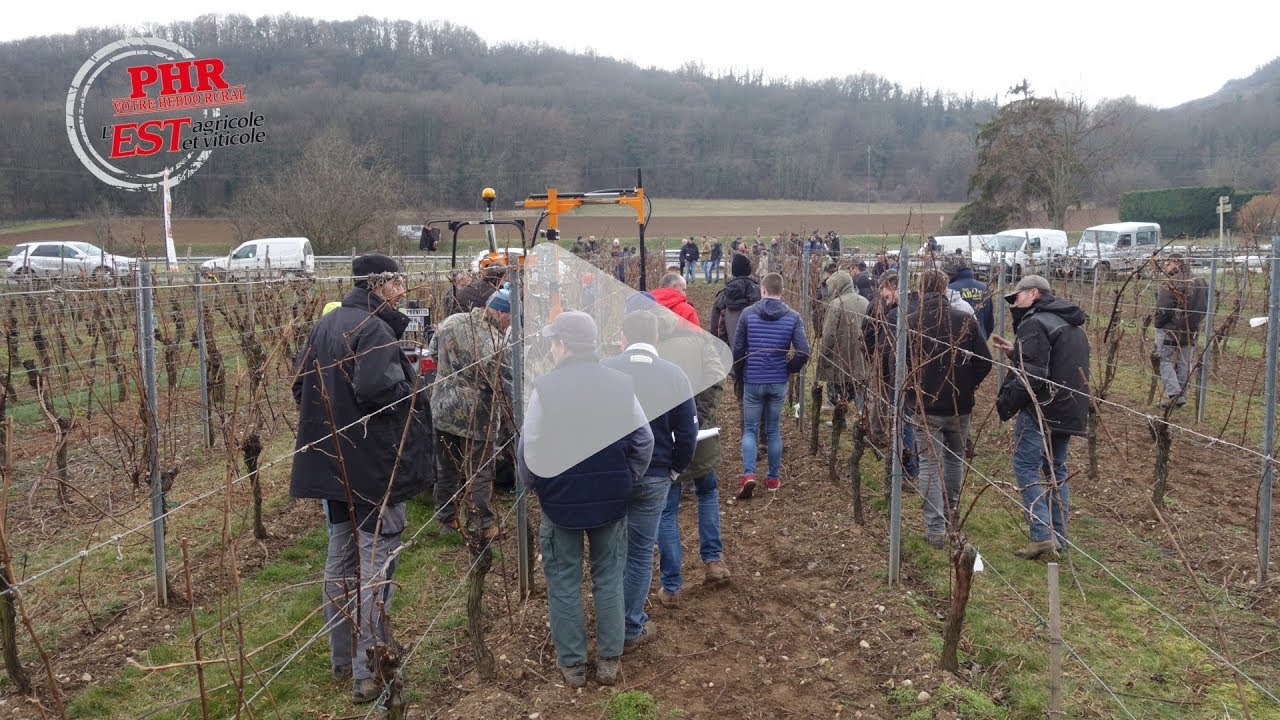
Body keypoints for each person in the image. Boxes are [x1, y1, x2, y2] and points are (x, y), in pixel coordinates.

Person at [290, 254, 428, 703]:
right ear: (381, 285)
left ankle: (341, 657)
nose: (402, 289)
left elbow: (300, 388)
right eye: (398, 282)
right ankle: (368, 669)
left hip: (332, 466)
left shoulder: (326, 325)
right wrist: (414, 394)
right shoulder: (372, 330)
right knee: (374, 567)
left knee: (340, 561)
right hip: (372, 472)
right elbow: (379, 394)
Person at [519, 311, 654, 688]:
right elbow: (644, 441)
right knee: (609, 577)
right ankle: (609, 660)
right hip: (611, 500)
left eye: (552, 341)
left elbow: (528, 448)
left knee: (564, 580)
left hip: (559, 500)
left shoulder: (545, 389)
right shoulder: (620, 384)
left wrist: (538, 486)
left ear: (562, 345)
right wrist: (627, 479)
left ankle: (573, 664)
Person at [603, 310, 697, 652]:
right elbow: (687, 433)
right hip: (656, 475)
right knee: (641, 551)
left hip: (611, 475)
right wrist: (674, 470)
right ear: (657, 339)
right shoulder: (675, 376)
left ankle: (607, 620)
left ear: (623, 338)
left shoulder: (606, 369)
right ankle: (630, 626)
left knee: (610, 550)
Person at [992, 275, 1090, 560]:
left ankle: (1041, 534)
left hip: (1041, 408)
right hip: (1069, 407)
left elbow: (1034, 375)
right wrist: (1016, 353)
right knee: (1056, 469)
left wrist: (1007, 402)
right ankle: (1058, 536)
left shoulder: (1034, 322)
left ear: (1034, 293)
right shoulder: (1070, 321)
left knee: (1026, 465)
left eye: (1017, 296)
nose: (1014, 302)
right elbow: (1055, 362)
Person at [648, 296, 731, 602]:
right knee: (707, 492)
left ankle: (671, 586)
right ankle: (713, 562)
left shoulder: (653, 350)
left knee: (667, 510)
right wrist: (702, 418)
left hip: (667, 441)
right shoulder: (700, 342)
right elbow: (717, 378)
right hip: (702, 436)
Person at [905, 270, 992, 548]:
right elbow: (985, 362)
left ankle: (935, 529)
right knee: (955, 459)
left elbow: (898, 364)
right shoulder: (965, 320)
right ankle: (952, 513)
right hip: (960, 406)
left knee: (930, 464)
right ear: (945, 290)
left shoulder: (911, 323)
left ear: (920, 291)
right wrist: (966, 385)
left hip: (924, 405)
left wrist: (913, 387)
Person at [428, 289, 514, 539]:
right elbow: (504, 382)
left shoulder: (451, 321)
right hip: (478, 418)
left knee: (446, 468)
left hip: (442, 408)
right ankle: (482, 525)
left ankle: (446, 520)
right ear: (498, 311)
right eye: (509, 317)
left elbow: (433, 351)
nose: (510, 323)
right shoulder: (495, 342)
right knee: (480, 471)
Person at [732, 272, 810, 498]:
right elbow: (804, 350)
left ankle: (749, 474)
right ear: (781, 291)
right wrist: (789, 368)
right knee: (774, 430)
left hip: (753, 380)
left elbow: (738, 349)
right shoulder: (793, 317)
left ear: (762, 290)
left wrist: (740, 372)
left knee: (750, 429)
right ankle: (773, 478)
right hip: (777, 381)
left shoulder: (747, 314)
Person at [1154, 253, 1208, 408]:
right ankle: (1182, 396)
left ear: (1176, 262)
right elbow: (1206, 307)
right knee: (1184, 362)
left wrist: (1158, 324)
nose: (1166, 267)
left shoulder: (1172, 282)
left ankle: (1174, 393)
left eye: (1168, 264)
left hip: (1170, 329)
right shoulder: (1202, 282)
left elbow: (1163, 308)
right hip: (1192, 330)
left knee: (1163, 360)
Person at [816, 269, 870, 412]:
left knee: (839, 384)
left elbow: (828, 335)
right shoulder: (865, 301)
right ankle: (862, 413)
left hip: (841, 354)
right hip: (862, 354)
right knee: (860, 383)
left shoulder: (836, 304)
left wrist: (824, 354)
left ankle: (839, 418)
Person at [711, 254, 761, 355]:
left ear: (733, 271)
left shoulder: (723, 294)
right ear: (748, 270)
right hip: (757, 349)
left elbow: (715, 326)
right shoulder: (759, 292)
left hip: (730, 349)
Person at [944, 255, 993, 337]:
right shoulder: (984, 288)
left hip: (955, 340)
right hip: (979, 339)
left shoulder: (949, 289)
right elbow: (989, 322)